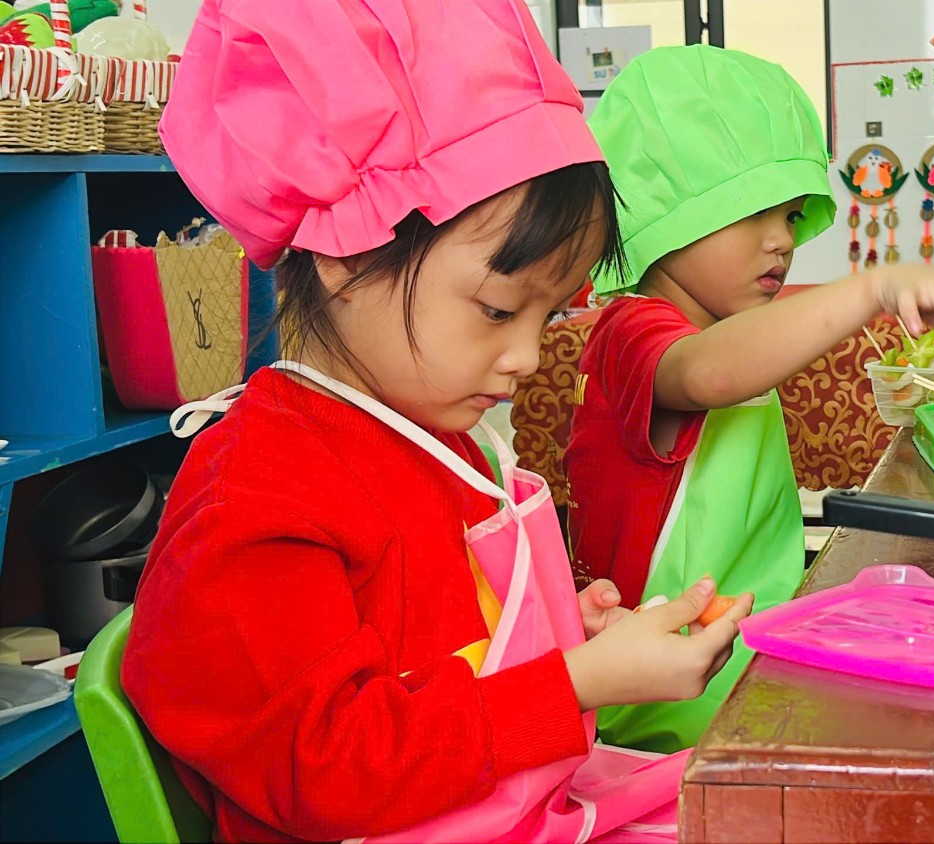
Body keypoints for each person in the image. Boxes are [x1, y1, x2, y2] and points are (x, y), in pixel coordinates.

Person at [120, 4, 747, 842]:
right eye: (498, 310)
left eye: (549, 316)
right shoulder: (260, 494)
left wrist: (571, 633)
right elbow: (327, 767)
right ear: (349, 254)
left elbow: (434, 646)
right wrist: (573, 682)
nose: (527, 356)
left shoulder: (434, 437)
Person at [567, 44, 934, 753]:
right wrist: (873, 286)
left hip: (744, 664)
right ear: (669, 212)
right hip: (669, 714)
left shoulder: (721, 327)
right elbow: (711, 374)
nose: (781, 240)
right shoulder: (634, 330)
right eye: (752, 212)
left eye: (792, 214)